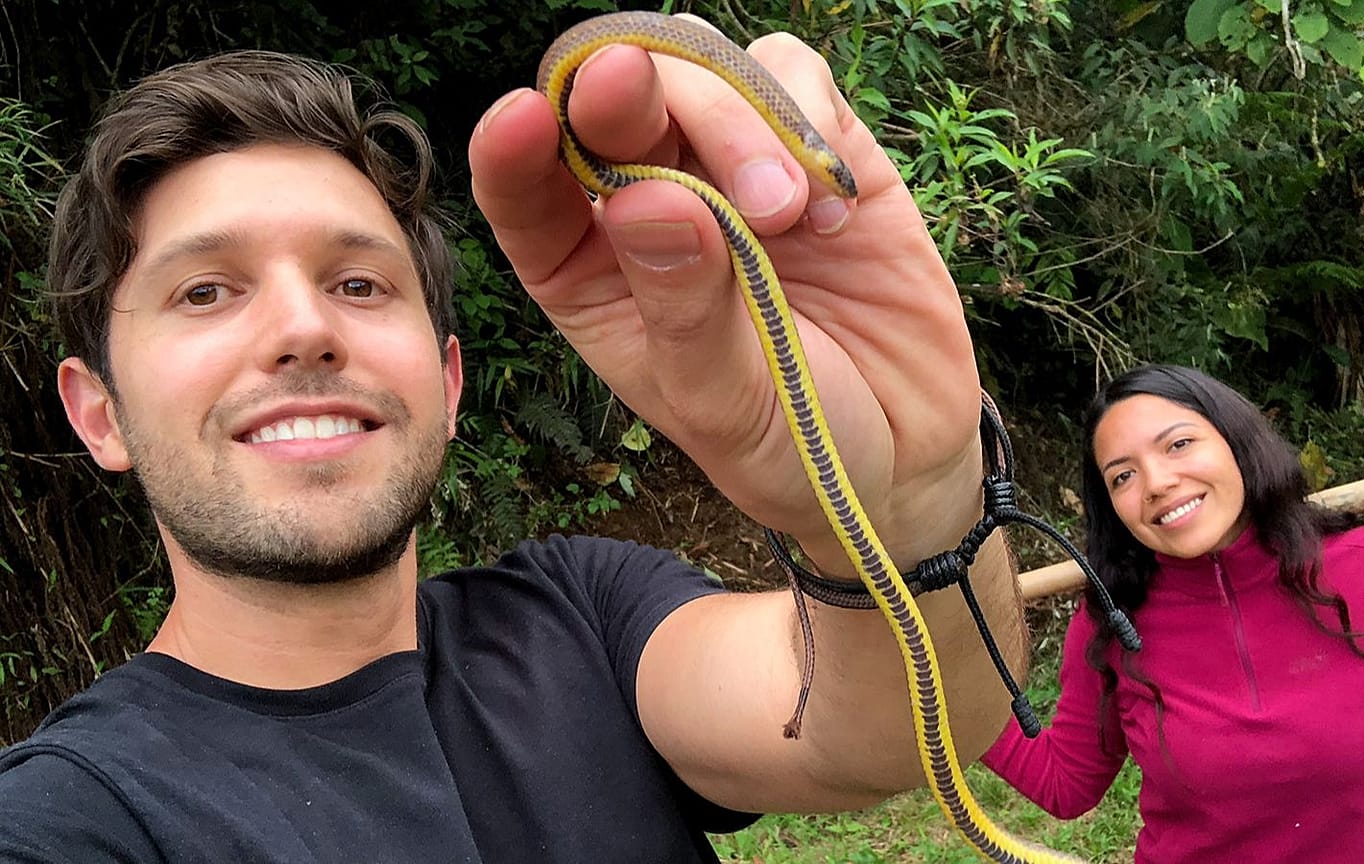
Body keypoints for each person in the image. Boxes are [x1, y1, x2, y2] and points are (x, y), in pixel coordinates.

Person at [0, 16, 1026, 863]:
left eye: (359, 283)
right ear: (100, 412)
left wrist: (919, 491)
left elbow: (875, 737)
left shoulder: (583, 617)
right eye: (205, 290)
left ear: (448, 383)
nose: (303, 330)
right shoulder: (72, 819)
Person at [983, 364, 1364, 863]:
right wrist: (937, 679)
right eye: (1122, 476)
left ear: (1236, 442)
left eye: (1178, 445)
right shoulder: (1115, 617)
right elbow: (1065, 784)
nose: (1156, 483)